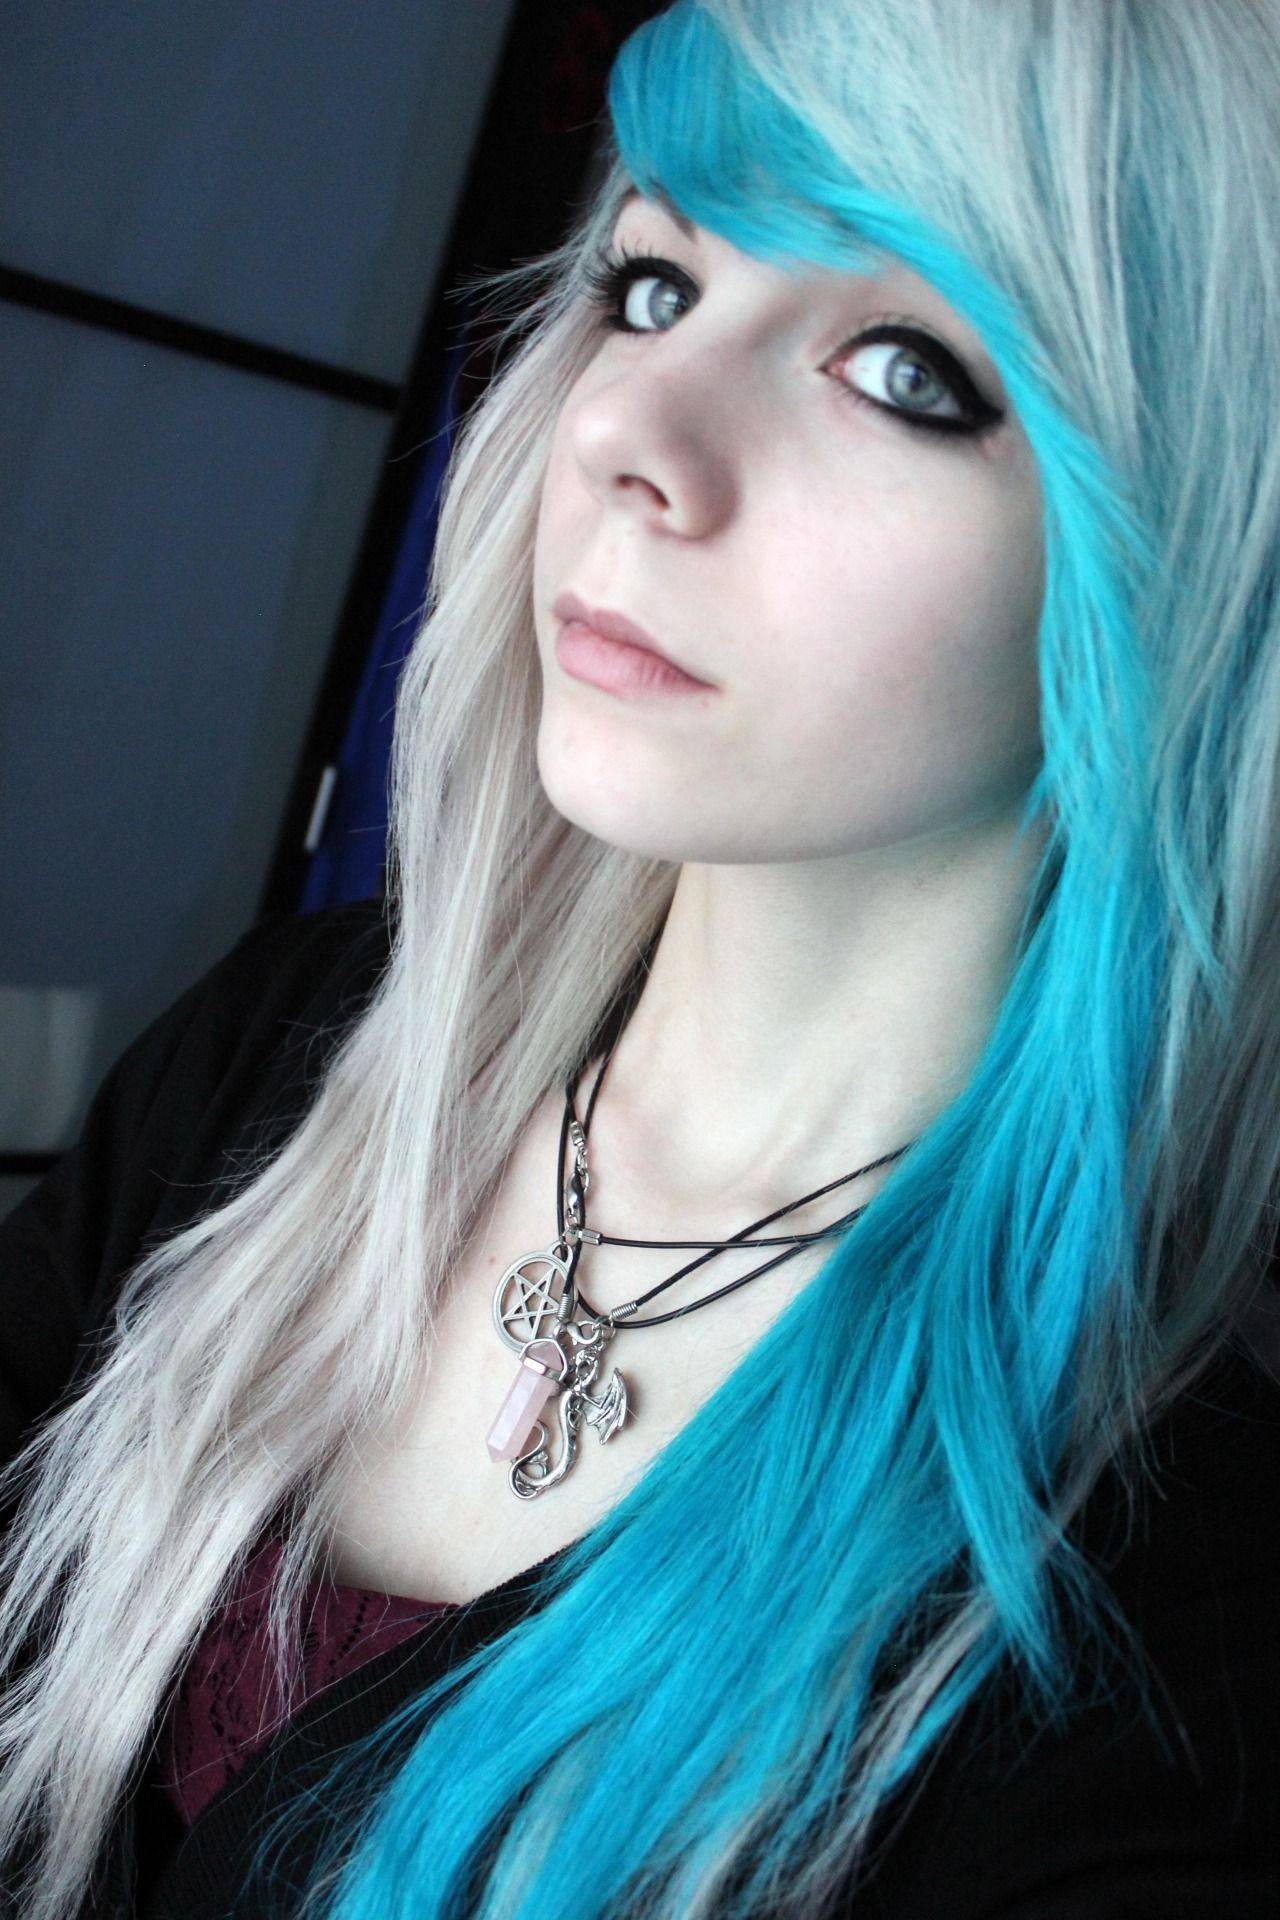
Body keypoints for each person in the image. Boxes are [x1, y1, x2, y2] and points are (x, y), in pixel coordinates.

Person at [2, 0, 1279, 1914]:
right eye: (657, 283)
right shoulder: (283, 1055)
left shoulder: (1160, 1638)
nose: (631, 432)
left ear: (1190, 567)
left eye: (906, 369)